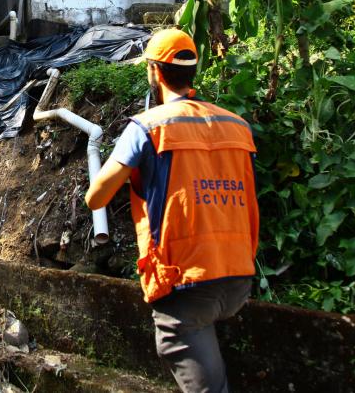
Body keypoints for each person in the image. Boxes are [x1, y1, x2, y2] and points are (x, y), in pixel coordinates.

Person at [85, 28, 259, 393]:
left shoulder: (147, 127)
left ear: (154, 71)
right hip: (238, 276)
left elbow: (96, 198)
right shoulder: (236, 125)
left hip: (186, 282)